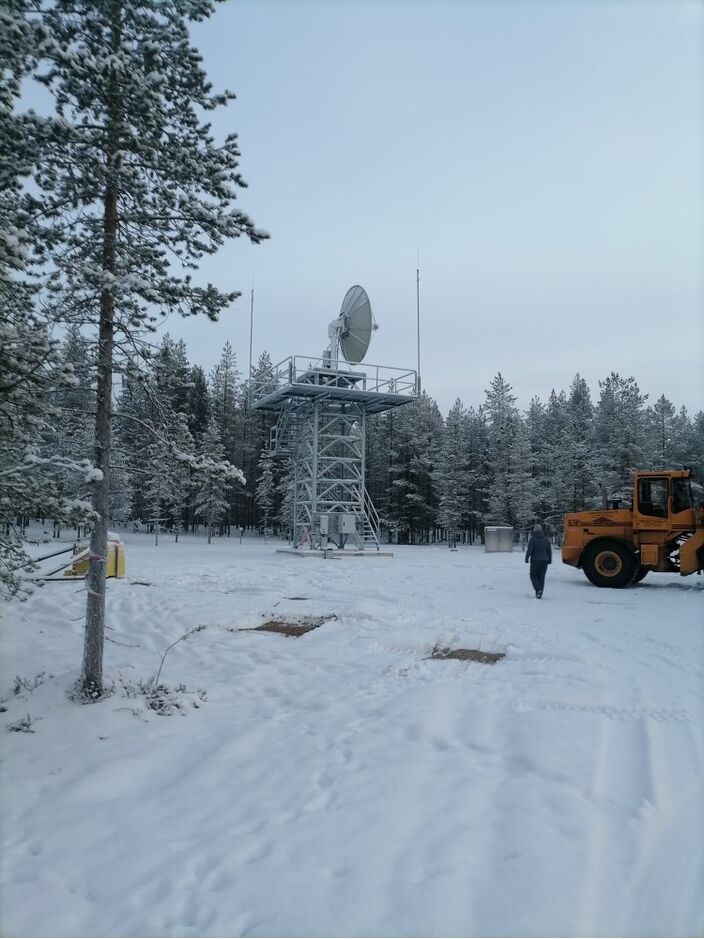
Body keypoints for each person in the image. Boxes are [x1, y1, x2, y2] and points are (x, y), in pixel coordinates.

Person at [525, 523, 552, 598]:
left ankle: (538, 589)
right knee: (541, 577)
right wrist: (550, 560)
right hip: (545, 561)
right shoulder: (546, 539)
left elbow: (530, 550)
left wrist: (527, 558)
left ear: (534, 530)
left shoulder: (533, 539)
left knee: (533, 575)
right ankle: (539, 594)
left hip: (535, 561)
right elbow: (549, 550)